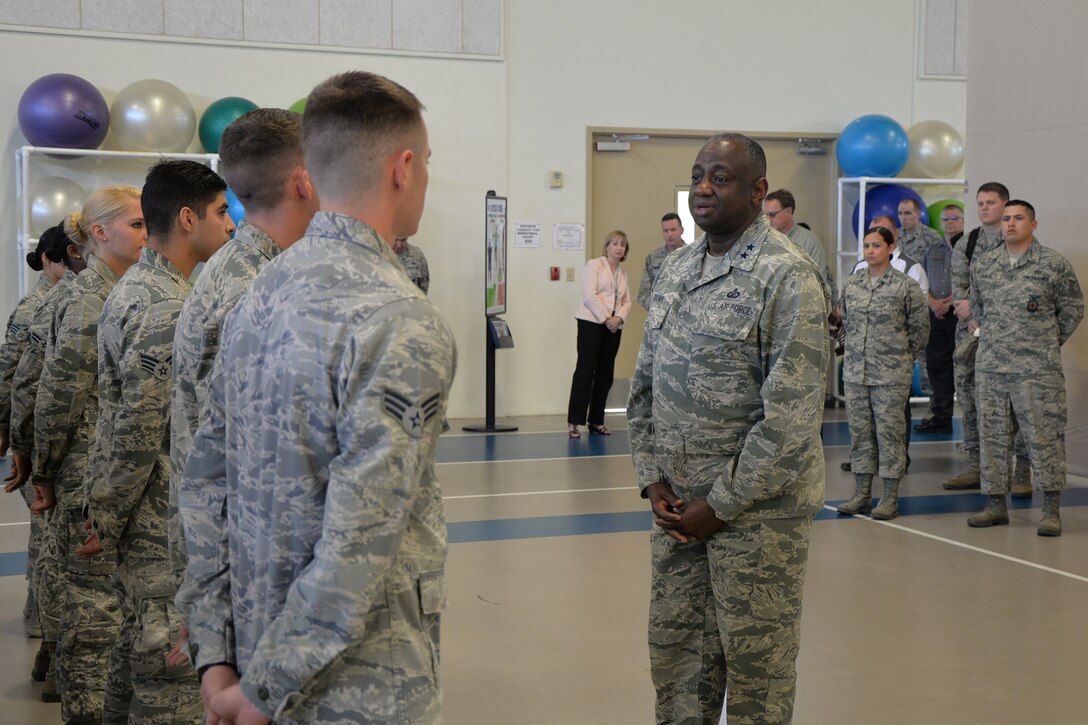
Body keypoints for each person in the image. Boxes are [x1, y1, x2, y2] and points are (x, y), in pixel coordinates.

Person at [180, 70, 456, 725]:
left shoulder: (256, 294)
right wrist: (260, 690)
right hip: (359, 686)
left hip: (251, 655)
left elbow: (204, 482)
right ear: (404, 166)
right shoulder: (400, 318)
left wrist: (221, 659)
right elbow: (360, 545)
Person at [628, 133, 829, 724]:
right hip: (679, 513)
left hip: (756, 519)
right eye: (697, 175)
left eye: (721, 177)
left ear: (757, 191)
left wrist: (719, 505)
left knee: (756, 680)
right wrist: (653, 482)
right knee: (678, 665)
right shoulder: (676, 269)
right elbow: (643, 387)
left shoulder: (786, 277)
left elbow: (789, 421)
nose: (703, 189)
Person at [80, 160, 233, 724]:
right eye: (222, 213)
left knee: (131, 662)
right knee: (168, 689)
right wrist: (111, 516)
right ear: (189, 219)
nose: (232, 226)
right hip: (156, 527)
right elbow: (137, 431)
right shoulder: (167, 306)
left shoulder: (138, 288)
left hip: (139, 517)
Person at [172, 109, 318, 669]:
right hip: (243, 556)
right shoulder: (261, 289)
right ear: (305, 179)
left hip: (220, 542)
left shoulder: (227, 267)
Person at [31, 186, 145, 724]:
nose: (151, 235)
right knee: (92, 617)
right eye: (140, 225)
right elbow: (57, 395)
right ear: (99, 234)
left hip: (112, 473)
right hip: (86, 474)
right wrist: (45, 471)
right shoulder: (89, 299)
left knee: (109, 609)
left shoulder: (125, 290)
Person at [967, 200, 1083, 536]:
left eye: (1018, 218)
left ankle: (1050, 509)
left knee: (1043, 438)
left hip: (1037, 371)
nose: (1011, 224)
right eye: (1006, 219)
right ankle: (995, 505)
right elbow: (978, 306)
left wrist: (1042, 342)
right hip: (991, 368)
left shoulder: (1052, 264)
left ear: (1033, 224)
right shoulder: (985, 264)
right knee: (993, 438)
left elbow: (1072, 309)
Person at [944, 182, 1034, 494]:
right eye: (980, 202)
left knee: (1017, 406)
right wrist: (970, 315)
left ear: (1006, 205)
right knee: (969, 400)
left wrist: (983, 316)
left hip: (1010, 340)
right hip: (971, 339)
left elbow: (1023, 293)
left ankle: (1021, 471)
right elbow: (960, 289)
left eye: (991, 202)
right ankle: (976, 465)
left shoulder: (1021, 243)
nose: (984, 208)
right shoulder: (966, 244)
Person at [836, 227, 929, 518]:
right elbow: (846, 323)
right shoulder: (852, 284)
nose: (870, 251)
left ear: (891, 247)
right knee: (860, 434)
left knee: (890, 434)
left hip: (891, 374)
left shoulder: (905, 286)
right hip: (856, 372)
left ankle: (890, 496)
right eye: (866, 245)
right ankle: (862, 493)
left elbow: (920, 330)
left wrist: (903, 358)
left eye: (876, 245)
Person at [0, 231, 58, 645]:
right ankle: (43, 621)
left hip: (38, 436)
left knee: (47, 533)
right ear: (51, 260)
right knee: (45, 534)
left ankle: (40, 616)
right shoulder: (35, 308)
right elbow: (12, 375)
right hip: (36, 437)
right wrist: (8, 433)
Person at [566, 230, 631, 438]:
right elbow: (589, 295)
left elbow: (626, 301)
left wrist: (618, 319)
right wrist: (606, 319)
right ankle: (575, 422)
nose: (619, 247)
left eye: (622, 244)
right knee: (585, 370)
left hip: (613, 327)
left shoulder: (622, 273)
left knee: (605, 374)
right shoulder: (595, 265)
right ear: (607, 247)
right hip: (591, 323)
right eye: (615, 243)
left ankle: (596, 421)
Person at [914, 204, 963, 433]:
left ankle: (969, 421)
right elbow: (922, 281)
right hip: (935, 313)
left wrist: (952, 301)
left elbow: (970, 280)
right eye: (946, 218)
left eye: (955, 218)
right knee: (937, 367)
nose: (950, 222)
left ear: (963, 220)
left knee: (961, 365)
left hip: (959, 314)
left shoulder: (966, 250)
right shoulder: (933, 250)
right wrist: (934, 302)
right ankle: (941, 416)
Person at [764, 188, 832, 288]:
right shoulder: (764, 239)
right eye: (765, 215)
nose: (768, 220)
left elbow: (818, 283)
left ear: (788, 211)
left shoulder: (809, 242)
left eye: (772, 215)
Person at [637, 212, 684, 310]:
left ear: (681, 230)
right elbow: (643, 294)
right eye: (665, 231)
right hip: (659, 316)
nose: (669, 234)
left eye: (673, 230)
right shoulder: (653, 258)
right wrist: (657, 308)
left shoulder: (693, 255)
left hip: (685, 316)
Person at [896, 197, 943, 262]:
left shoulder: (932, 237)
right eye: (900, 213)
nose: (903, 218)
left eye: (907, 213)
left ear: (918, 214)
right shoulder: (895, 235)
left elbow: (939, 265)